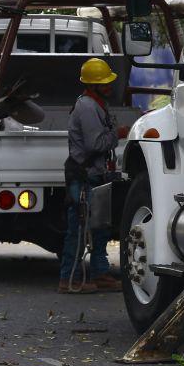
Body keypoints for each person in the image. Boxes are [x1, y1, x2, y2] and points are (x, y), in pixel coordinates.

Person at [58, 57, 124, 293]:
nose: (109, 86)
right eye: (104, 83)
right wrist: (118, 134)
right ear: (93, 85)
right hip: (83, 175)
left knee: (100, 227)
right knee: (78, 228)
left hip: (94, 175)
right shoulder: (87, 107)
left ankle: (100, 272)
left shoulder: (96, 104)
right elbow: (95, 144)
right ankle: (69, 280)